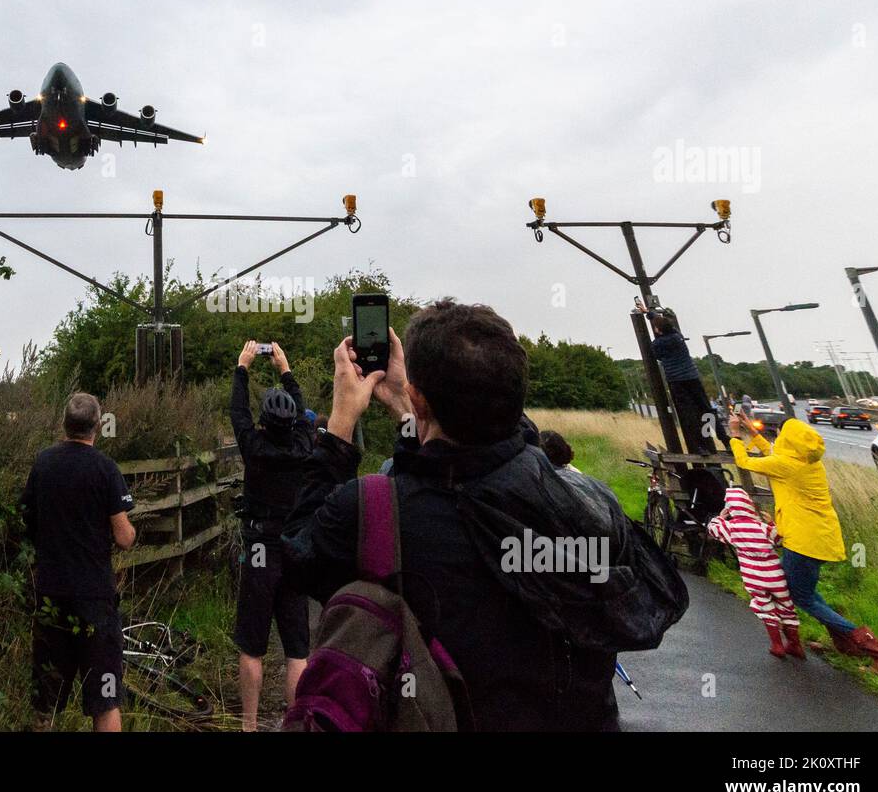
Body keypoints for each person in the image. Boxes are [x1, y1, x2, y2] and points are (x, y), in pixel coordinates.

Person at [283, 301, 688, 731]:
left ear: (420, 398)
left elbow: (298, 553)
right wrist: (412, 408)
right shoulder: (586, 500)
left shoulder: (376, 509)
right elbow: (478, 460)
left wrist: (341, 423)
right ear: (516, 393)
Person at [729, 412, 878, 673]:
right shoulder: (807, 460)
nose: (777, 440)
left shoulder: (787, 466)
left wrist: (734, 434)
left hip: (803, 541)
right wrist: (751, 433)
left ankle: (876, 651)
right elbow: (771, 455)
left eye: (781, 437)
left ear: (789, 443)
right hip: (818, 537)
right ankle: (845, 644)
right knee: (808, 594)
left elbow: (743, 461)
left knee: (803, 597)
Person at [21, 392, 137, 731]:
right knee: (105, 698)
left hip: (51, 595)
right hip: (94, 600)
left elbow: (27, 518)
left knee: (46, 700)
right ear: (97, 427)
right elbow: (124, 537)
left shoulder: (43, 463)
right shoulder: (105, 468)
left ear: (64, 424)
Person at [231, 340, 317, 731]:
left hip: (261, 547)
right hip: (294, 550)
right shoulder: (303, 446)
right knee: (297, 649)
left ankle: (249, 726)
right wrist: (286, 367)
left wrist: (242, 367)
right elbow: (302, 415)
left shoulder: (254, 448)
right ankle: (294, 724)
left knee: (252, 645)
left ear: (264, 423)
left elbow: (238, 414)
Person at [706, 485, 803, 659]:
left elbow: (713, 530)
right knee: (786, 606)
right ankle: (795, 644)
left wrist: (719, 518)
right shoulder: (761, 527)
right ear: (749, 505)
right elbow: (778, 539)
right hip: (775, 574)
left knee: (765, 607)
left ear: (731, 508)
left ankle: (777, 645)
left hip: (753, 577)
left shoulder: (732, 528)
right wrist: (772, 522)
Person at [636, 301, 729, 455]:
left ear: (658, 331)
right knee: (706, 410)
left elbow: (656, 356)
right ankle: (724, 440)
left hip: (676, 382)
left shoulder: (657, 344)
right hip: (692, 377)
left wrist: (648, 315)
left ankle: (700, 447)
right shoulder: (677, 336)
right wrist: (649, 312)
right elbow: (666, 325)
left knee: (688, 415)